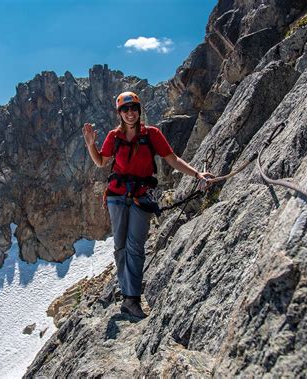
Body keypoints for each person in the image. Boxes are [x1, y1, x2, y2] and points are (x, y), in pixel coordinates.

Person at [82, 91, 212, 319]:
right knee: (120, 246)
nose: (130, 113)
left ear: (139, 110)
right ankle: (128, 296)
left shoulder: (152, 134)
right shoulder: (114, 136)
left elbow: (172, 159)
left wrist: (196, 174)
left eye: (133, 109)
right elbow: (102, 161)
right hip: (116, 196)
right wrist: (91, 145)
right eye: (125, 110)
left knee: (135, 245)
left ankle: (131, 298)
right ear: (120, 114)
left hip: (141, 197)